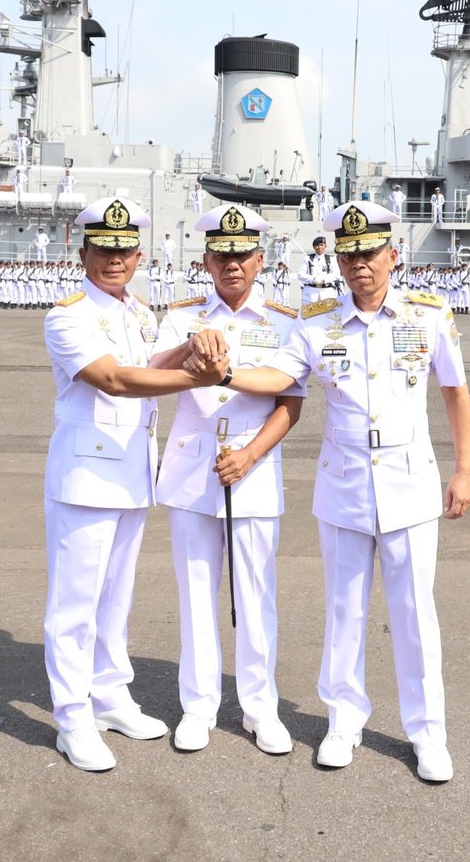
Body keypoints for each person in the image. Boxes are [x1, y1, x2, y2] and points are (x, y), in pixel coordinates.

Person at [214, 199, 470, 783]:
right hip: (344, 485)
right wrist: (225, 374)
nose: (361, 265)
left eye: (370, 253)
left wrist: (464, 471)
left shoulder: (429, 315)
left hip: (409, 482)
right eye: (349, 255)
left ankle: (428, 733)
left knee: (415, 614)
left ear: (393, 255)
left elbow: (455, 393)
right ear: (337, 261)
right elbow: (279, 378)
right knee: (344, 610)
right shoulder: (315, 324)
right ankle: (343, 721)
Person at [41, 197, 227, 772]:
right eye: (103, 249)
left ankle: (109, 695)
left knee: (115, 597)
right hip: (86, 476)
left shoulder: (139, 312)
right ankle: (72, 718)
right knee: (75, 604)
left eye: (124, 250)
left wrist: (191, 346)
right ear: (83, 254)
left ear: (139, 255)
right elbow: (117, 380)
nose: (114, 259)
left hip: (131, 473)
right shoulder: (68, 316)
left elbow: (149, 360)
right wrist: (199, 376)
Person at [154, 203, 304, 755]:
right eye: (222, 256)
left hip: (253, 469)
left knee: (256, 595)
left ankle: (260, 708)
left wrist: (250, 456)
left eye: (242, 255)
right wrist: (190, 349)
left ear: (260, 260)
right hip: (192, 469)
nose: (232, 265)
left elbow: (290, 403)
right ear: (206, 262)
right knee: (196, 594)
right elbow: (152, 373)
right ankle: (198, 707)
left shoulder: (285, 321)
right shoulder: (182, 317)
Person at [299, 236, 337, 303]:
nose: (319, 247)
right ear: (314, 247)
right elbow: (300, 274)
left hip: (327, 291)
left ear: (325, 246)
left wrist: (324, 280)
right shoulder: (307, 258)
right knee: (309, 309)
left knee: (329, 310)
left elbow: (336, 274)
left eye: (321, 245)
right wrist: (313, 279)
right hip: (311, 292)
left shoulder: (331, 259)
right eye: (317, 245)